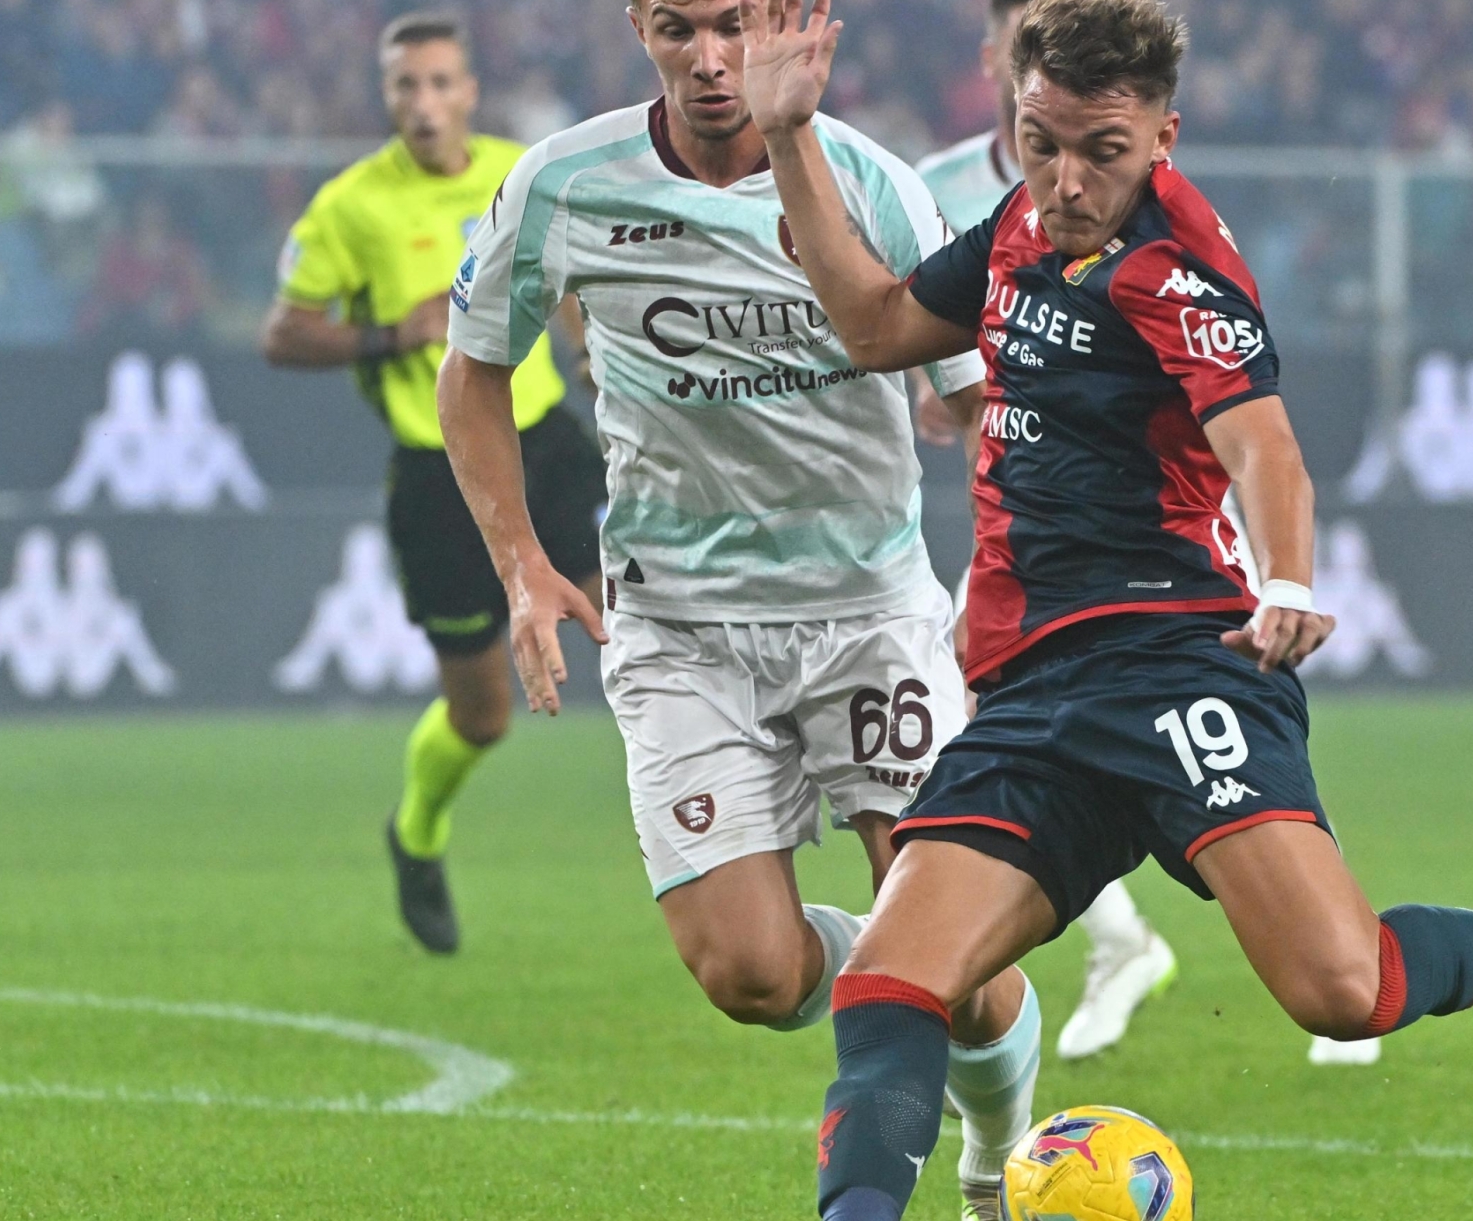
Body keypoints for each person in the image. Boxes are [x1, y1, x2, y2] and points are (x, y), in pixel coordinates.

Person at [740, 1, 1473, 1217]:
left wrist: (1288, 580)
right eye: (1040, 139)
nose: (1064, 180)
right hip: (1028, 689)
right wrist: (790, 135)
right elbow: (877, 324)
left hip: (1179, 662)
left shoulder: (1178, 263)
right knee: (889, 986)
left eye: (1101, 151)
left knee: (1342, 989)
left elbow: (1265, 447)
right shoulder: (1013, 223)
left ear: (1164, 133)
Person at [435, 3, 1039, 1216]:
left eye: (730, 28)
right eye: (677, 30)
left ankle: (996, 1161)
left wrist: (1024, 579)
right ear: (637, 27)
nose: (709, 62)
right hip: (679, 628)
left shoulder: (871, 181)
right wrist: (521, 562)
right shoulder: (564, 181)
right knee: (751, 977)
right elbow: (474, 369)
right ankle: (896, 957)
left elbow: (983, 401)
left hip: (868, 614)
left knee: (969, 979)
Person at [259, 12, 605, 953]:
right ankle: (415, 833)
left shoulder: (521, 169)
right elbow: (282, 332)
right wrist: (389, 334)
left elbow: (567, 277)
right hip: (438, 472)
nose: (425, 103)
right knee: (481, 713)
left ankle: (728, 815)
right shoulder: (352, 205)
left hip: (548, 444)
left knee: (643, 617)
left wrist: (586, 354)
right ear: (387, 96)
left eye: (441, 83)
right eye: (406, 86)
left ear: (470, 92)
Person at [915, 0, 1178, 1065]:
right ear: (995, 59)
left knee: (1185, 741)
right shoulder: (925, 189)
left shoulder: (1147, 195)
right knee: (995, 727)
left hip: (1134, 522)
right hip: (1011, 520)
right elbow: (902, 328)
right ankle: (1125, 940)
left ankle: (1332, 963)